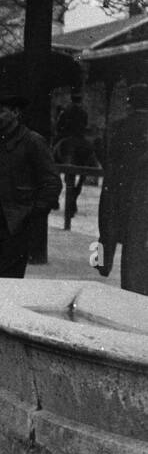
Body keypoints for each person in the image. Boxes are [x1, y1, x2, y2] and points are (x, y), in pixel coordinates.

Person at [0, 94, 61, 278]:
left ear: (15, 112)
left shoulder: (32, 141)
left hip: (15, 227)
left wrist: (30, 215)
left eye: (0, 112)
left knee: (7, 283)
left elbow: (52, 183)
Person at [97, 83, 148, 295]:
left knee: (127, 246)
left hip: (122, 195)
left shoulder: (119, 128)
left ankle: (102, 263)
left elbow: (109, 161)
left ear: (129, 103)